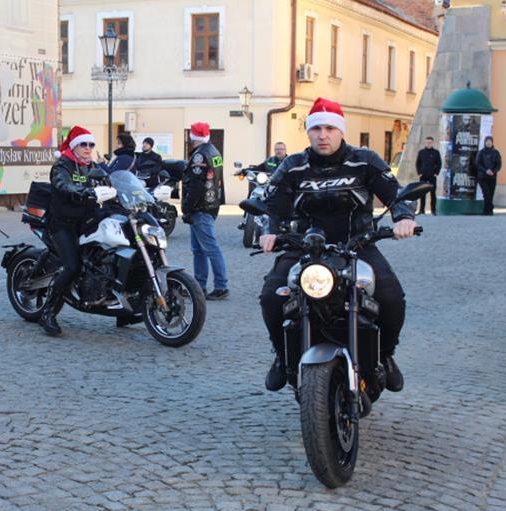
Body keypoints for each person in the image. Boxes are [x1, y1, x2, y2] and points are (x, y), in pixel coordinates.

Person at [259, 97, 417, 393]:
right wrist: (269, 232)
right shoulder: (293, 165)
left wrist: (404, 218)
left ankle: (385, 355)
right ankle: (281, 356)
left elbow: (395, 194)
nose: (323, 135)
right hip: (304, 248)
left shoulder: (365, 160)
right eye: (316, 128)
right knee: (271, 297)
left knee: (392, 298)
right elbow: (273, 206)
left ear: (341, 130)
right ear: (308, 131)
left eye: (330, 128)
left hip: (357, 246)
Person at [39, 126, 115, 336]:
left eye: (91, 144)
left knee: (109, 253)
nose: (88, 148)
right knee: (72, 267)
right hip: (63, 224)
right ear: (74, 146)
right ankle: (48, 313)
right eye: (83, 144)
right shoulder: (62, 165)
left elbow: (111, 183)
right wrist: (86, 192)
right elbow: (63, 185)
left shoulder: (94, 167)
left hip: (87, 222)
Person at [182, 121, 229, 301]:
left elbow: (197, 185)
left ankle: (221, 286)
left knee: (210, 248)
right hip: (210, 204)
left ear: (193, 136)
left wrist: (187, 207)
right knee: (199, 250)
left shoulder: (199, 156)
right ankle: (199, 285)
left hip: (200, 207)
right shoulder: (214, 151)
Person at [415, 136, 442, 215]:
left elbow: (439, 163)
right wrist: (419, 173)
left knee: (433, 193)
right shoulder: (421, 152)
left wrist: (436, 173)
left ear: (432, 143)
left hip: (432, 176)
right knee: (422, 193)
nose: (428, 144)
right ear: (425, 143)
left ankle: (433, 210)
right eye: (427, 142)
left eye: (430, 142)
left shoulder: (436, 152)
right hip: (423, 176)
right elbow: (418, 163)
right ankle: (421, 210)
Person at [475, 136, 502, 216]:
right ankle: (487, 210)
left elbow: (499, 164)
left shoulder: (496, 153)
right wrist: (486, 170)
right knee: (486, 193)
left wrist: (494, 171)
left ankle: (489, 211)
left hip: (492, 177)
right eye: (487, 141)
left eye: (490, 141)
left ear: (492, 142)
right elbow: (478, 164)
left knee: (491, 194)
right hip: (482, 177)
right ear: (485, 142)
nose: (488, 142)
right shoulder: (481, 152)